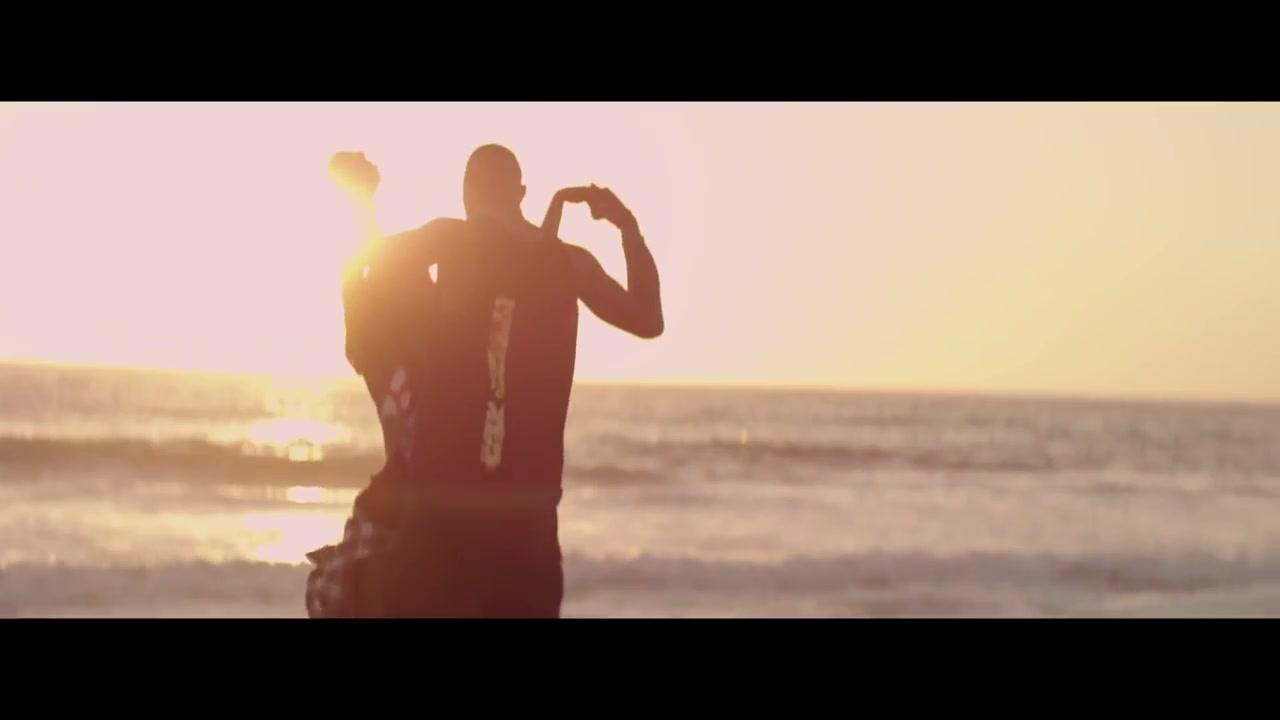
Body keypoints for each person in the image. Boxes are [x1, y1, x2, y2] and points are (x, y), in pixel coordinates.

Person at [315, 144, 663, 618]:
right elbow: (648, 319)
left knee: (338, 591)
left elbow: (371, 268)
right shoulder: (570, 264)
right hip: (530, 537)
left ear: (466, 194)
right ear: (521, 193)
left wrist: (362, 205)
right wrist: (627, 227)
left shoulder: (450, 238)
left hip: (444, 527)